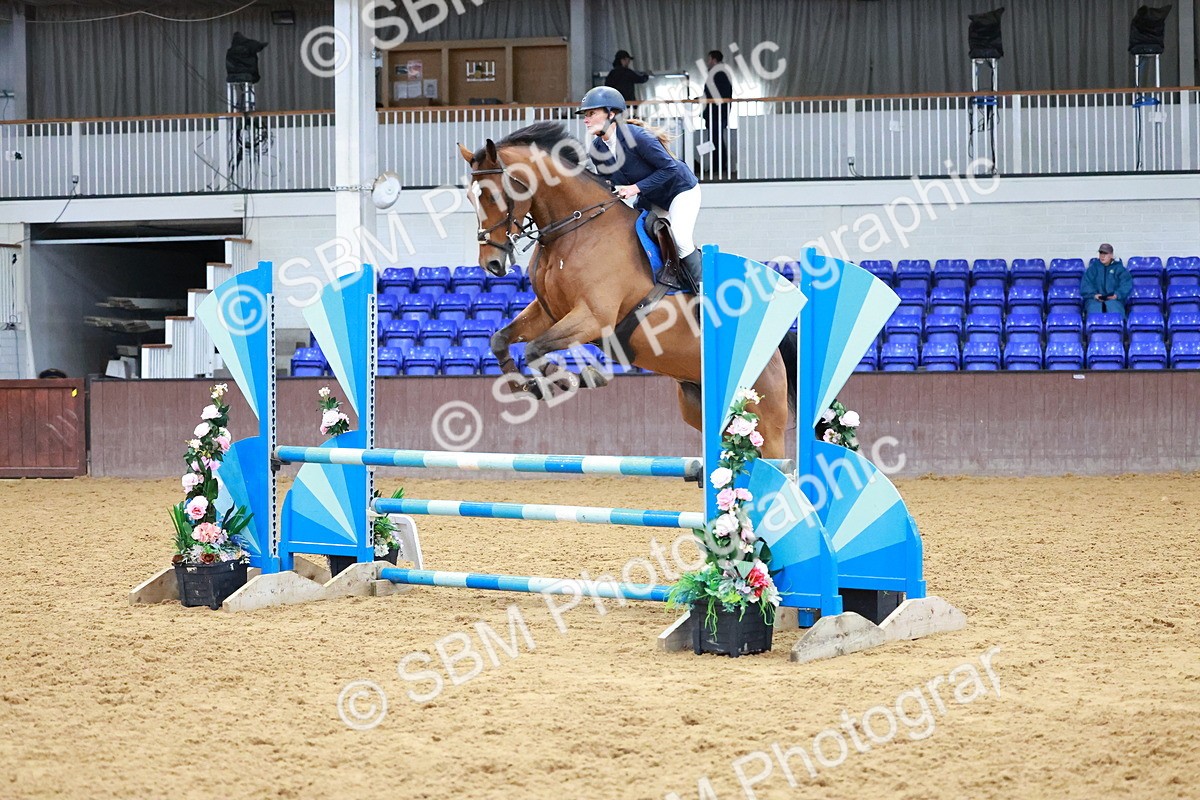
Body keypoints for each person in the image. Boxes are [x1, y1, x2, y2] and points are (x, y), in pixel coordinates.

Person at [576, 86, 704, 288]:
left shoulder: (637, 137)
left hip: (680, 190)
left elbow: (669, 168)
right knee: (632, 235)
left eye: (592, 113)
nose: (586, 119)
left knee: (680, 239)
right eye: (585, 115)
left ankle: (704, 289)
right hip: (651, 196)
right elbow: (608, 184)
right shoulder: (597, 149)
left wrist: (634, 188)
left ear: (612, 113)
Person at [701, 50, 734, 177]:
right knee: (715, 139)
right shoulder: (720, 72)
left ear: (713, 59)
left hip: (717, 112)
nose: (707, 62)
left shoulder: (719, 73)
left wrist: (704, 100)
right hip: (716, 112)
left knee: (715, 139)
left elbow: (718, 94)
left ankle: (718, 166)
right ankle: (717, 165)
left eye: (709, 59)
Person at [1081, 243, 1132, 316]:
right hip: (1095, 300)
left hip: (1114, 300)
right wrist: (1094, 295)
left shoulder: (1119, 269)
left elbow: (1126, 284)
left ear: (1111, 255)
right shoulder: (1093, 269)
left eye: (1105, 253)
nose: (1102, 256)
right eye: (1101, 253)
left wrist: (1117, 295)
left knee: (1115, 309)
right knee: (1093, 308)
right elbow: (1086, 284)